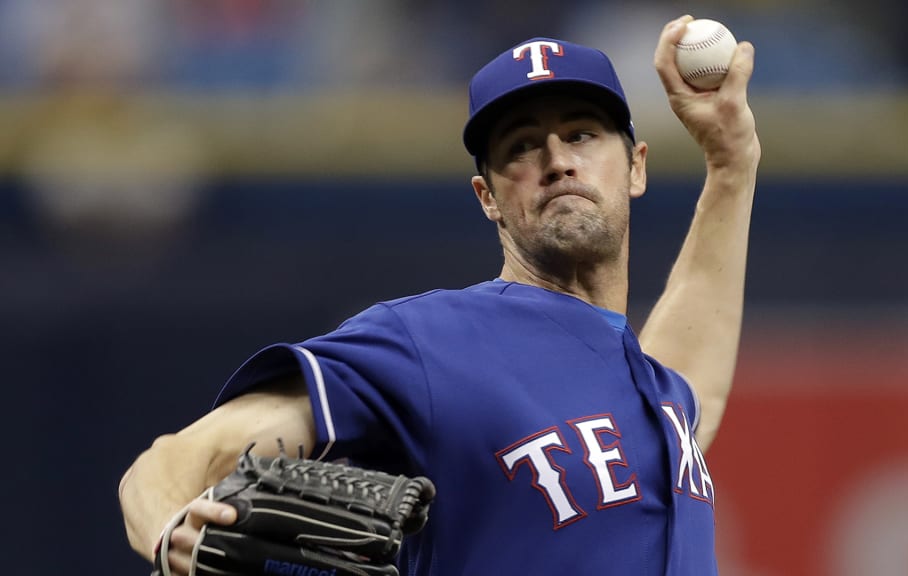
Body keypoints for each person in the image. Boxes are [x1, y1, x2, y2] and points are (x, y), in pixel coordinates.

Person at [119, 14, 760, 575]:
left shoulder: (657, 395)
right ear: (488, 199)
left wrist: (732, 166)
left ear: (637, 166)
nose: (558, 160)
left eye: (582, 134)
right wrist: (171, 526)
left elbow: (692, 384)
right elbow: (178, 458)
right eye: (521, 147)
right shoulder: (429, 341)